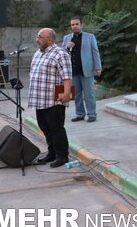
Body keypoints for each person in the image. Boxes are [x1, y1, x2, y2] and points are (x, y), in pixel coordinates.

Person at [27, 28, 73, 168]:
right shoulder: (37, 53)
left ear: (49, 40)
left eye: (40, 37)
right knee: (45, 127)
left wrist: (67, 94)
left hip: (54, 99)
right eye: (37, 36)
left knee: (56, 128)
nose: (37, 39)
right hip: (39, 99)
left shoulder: (60, 54)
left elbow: (67, 76)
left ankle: (62, 156)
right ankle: (52, 153)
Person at [62, 16, 102, 122]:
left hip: (87, 70)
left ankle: (92, 115)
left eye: (76, 24)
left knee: (89, 94)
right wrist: (67, 47)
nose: (75, 26)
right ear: (70, 26)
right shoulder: (66, 38)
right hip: (73, 71)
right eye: (72, 24)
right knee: (77, 94)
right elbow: (61, 54)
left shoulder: (90, 37)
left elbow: (95, 52)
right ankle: (79, 114)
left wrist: (98, 67)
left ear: (81, 25)